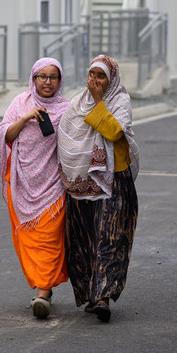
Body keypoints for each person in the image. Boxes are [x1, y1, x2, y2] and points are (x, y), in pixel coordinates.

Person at [57, 55, 139, 323]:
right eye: (91, 74)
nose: (94, 81)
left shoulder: (119, 101)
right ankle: (91, 295)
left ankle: (104, 295)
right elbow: (67, 140)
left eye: (101, 76)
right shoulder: (77, 103)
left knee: (110, 237)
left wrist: (99, 101)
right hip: (81, 185)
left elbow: (114, 132)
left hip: (113, 182)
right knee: (83, 239)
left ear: (111, 80)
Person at [0, 57, 70, 320]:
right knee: (28, 241)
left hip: (52, 186)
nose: (48, 82)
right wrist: (27, 117)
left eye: (53, 77)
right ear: (34, 78)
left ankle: (43, 293)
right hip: (21, 184)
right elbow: (6, 136)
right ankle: (42, 288)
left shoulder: (67, 109)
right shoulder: (20, 103)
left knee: (49, 239)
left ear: (60, 81)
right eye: (42, 76)